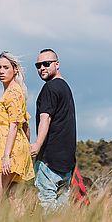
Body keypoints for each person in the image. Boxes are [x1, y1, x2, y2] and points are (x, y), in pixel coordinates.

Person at [29, 48, 77, 212]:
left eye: (46, 64)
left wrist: (37, 145)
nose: (42, 68)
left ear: (57, 64)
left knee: (48, 204)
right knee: (63, 208)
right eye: (38, 65)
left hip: (49, 160)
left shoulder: (50, 88)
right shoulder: (65, 87)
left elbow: (45, 118)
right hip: (67, 162)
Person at [0, 51, 35, 205]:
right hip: (16, 149)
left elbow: (14, 125)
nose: (1, 71)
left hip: (9, 151)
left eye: (6, 67)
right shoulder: (14, 91)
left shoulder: (13, 93)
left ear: (15, 69)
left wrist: (6, 156)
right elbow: (26, 124)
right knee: (15, 199)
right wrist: (27, 148)